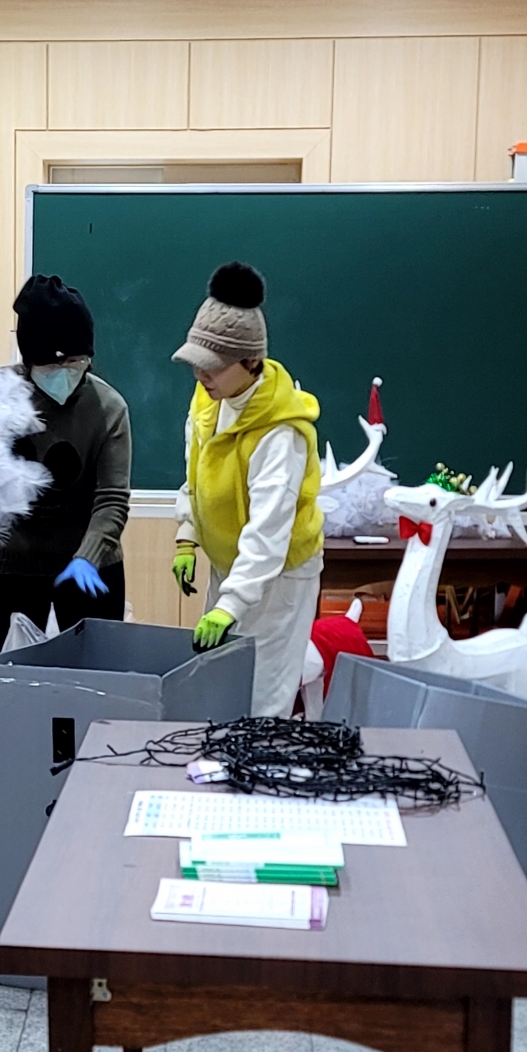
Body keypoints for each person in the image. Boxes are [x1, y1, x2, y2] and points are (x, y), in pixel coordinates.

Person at [172, 262, 325, 717]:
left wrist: (231, 604)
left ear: (250, 362)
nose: (202, 375)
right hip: (232, 566)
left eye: (214, 367)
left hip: (280, 578)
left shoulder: (280, 432)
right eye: (197, 364)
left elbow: (268, 531)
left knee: (263, 697)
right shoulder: (209, 401)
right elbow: (196, 476)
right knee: (221, 688)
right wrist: (187, 535)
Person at [0, 274, 133, 654]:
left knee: (97, 675)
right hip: (11, 568)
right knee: (7, 677)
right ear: (29, 361)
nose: (65, 372)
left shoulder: (108, 408)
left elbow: (112, 499)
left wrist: (88, 558)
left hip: (90, 569)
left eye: (76, 362)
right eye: (52, 365)